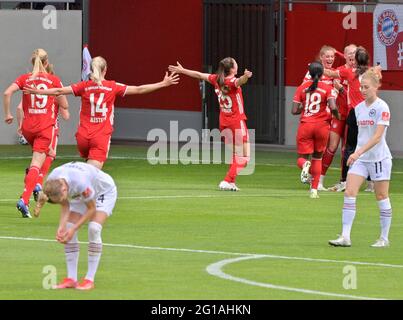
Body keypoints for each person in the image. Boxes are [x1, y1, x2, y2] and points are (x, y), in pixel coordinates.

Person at [24, 56, 179, 170]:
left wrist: (36, 90)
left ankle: (75, 184)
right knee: (90, 175)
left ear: (92, 70)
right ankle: (69, 184)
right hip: (100, 136)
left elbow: (58, 91)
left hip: (83, 137)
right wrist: (163, 83)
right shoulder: (112, 86)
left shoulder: (83, 86)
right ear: (105, 70)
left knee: (88, 170)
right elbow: (139, 89)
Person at [329, 69, 392, 248]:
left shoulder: (382, 107)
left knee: (381, 196)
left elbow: (377, 137)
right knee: (349, 192)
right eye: (361, 87)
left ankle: (384, 238)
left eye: (367, 87)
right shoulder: (358, 109)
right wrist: (355, 154)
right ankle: (345, 236)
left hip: (379, 158)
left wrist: (357, 153)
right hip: (361, 159)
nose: (363, 90)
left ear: (376, 87)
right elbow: (358, 136)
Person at [3, 48, 69, 218]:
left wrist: (8, 114)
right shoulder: (53, 80)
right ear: (46, 63)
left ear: (32, 62)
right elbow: (65, 104)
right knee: (37, 164)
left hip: (28, 128)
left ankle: (34, 182)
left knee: (45, 155)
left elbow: (7, 92)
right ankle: (24, 200)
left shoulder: (24, 79)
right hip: (44, 128)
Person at [168, 58, 252, 191]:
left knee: (236, 153)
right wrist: (245, 76)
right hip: (236, 122)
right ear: (232, 69)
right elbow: (239, 81)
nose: (237, 64)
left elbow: (199, 75)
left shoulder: (216, 79)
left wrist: (182, 71)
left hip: (224, 122)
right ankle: (227, 180)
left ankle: (231, 181)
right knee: (245, 156)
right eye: (235, 63)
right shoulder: (231, 81)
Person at [35, 161, 117, 290]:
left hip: (103, 191)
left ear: (64, 189)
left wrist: (74, 229)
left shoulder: (80, 182)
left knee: (94, 229)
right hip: (80, 194)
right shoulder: (53, 182)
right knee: (67, 227)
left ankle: (89, 280)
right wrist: (61, 227)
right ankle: (71, 279)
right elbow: (65, 204)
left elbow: (91, 209)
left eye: (62, 196)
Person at [324, 47, 381, 192]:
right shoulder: (372, 73)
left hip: (355, 113)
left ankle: (345, 180)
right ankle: (371, 183)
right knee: (369, 146)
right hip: (371, 113)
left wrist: (318, 69)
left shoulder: (349, 72)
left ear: (355, 60)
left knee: (349, 148)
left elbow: (331, 73)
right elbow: (378, 74)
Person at [292, 61, 340, 199]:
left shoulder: (302, 88)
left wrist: (305, 107)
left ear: (310, 73)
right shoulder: (327, 88)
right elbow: (333, 107)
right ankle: (314, 191)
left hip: (306, 125)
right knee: (318, 158)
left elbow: (294, 110)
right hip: (322, 126)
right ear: (322, 73)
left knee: (301, 159)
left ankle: (305, 165)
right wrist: (337, 116)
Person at [319, 44, 357, 190]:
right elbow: (329, 77)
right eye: (349, 53)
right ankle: (319, 179)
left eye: (354, 53)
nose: (352, 56)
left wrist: (341, 89)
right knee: (332, 146)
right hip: (339, 115)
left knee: (346, 149)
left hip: (352, 116)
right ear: (345, 55)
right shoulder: (339, 71)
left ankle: (344, 181)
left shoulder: (358, 72)